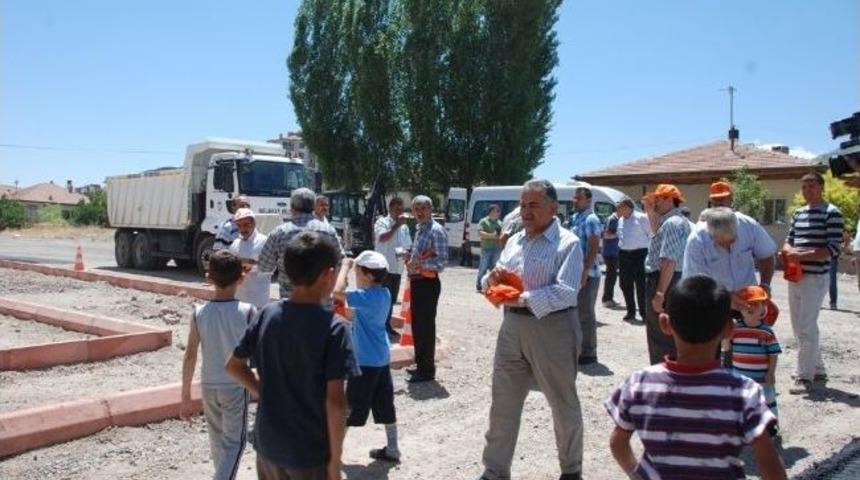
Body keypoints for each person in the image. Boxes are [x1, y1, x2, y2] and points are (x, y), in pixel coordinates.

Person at [605, 275, 786, 480]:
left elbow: (618, 443)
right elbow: (768, 461)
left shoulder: (639, 384)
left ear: (665, 323)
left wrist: (636, 474)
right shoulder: (743, 392)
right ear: (729, 329)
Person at [225, 231, 356, 480]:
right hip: (309, 453)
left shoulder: (266, 315)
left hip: (268, 446)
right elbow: (336, 402)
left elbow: (234, 366)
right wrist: (334, 463)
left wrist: (263, 391)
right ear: (328, 275)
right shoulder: (334, 328)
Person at [477, 179, 584, 480]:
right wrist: (491, 279)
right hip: (512, 328)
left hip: (553, 328)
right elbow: (495, 277)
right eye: (523, 205)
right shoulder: (513, 241)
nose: (526, 211)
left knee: (562, 403)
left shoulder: (568, 243)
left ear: (553, 207)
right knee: (503, 403)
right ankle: (495, 471)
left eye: (534, 205)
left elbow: (567, 292)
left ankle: (571, 470)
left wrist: (521, 298)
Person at [180, 249, 255, 480]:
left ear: (208, 278)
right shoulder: (248, 311)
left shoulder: (199, 313)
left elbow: (190, 355)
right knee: (235, 443)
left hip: (208, 385)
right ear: (241, 278)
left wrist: (185, 395)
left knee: (218, 443)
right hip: (235, 386)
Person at [333, 251, 401, 463]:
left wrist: (344, 265)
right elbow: (357, 315)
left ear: (369, 275)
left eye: (357, 272)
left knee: (349, 408)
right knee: (385, 404)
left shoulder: (364, 296)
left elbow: (337, 291)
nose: (355, 276)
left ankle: (333, 455)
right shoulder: (384, 294)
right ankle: (392, 448)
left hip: (365, 361)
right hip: (381, 358)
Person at [782, 171, 844, 394]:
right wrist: (789, 251)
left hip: (815, 278)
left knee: (806, 326)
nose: (807, 191)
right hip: (796, 275)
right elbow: (789, 240)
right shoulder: (799, 213)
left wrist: (802, 255)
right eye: (804, 187)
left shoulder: (832, 213)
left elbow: (833, 249)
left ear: (821, 187)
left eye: (811, 186)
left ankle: (804, 376)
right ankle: (817, 368)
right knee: (799, 325)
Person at [684, 207, 776, 311]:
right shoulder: (697, 241)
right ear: (711, 235)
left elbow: (767, 256)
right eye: (721, 243)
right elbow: (694, 283)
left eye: (732, 241)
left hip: (750, 300)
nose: (728, 246)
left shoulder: (748, 226)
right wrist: (726, 297)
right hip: (713, 303)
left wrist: (765, 285)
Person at [258, 188, 343, 299]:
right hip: (321, 303)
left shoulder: (280, 232)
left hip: (290, 302)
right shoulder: (329, 231)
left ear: (292, 207)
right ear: (313, 207)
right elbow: (339, 262)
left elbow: (264, 267)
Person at [642, 184, 691, 365]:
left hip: (665, 281)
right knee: (669, 332)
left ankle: (662, 374)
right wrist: (650, 211)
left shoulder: (672, 223)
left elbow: (668, 261)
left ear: (670, 200)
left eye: (658, 199)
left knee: (660, 334)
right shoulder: (676, 221)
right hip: (673, 280)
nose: (655, 203)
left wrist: (660, 293)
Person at [405, 195, 448, 383]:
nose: (419, 212)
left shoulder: (436, 230)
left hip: (428, 283)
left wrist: (419, 266)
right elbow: (421, 255)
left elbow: (441, 262)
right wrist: (410, 257)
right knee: (418, 326)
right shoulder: (420, 228)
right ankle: (421, 364)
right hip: (417, 281)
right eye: (416, 208)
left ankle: (427, 371)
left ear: (431, 210)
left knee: (426, 327)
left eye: (423, 208)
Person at [726, 285, 782, 427]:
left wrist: (771, 372)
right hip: (740, 377)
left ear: (764, 308)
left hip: (762, 378)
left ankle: (770, 426)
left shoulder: (766, 332)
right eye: (747, 304)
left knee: (767, 400)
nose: (750, 307)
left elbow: (773, 353)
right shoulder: (736, 329)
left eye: (756, 304)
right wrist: (725, 334)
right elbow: (727, 348)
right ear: (739, 308)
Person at [569, 187, 603, 365]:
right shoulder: (575, 218)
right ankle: (577, 348)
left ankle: (589, 352)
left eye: (578, 198)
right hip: (573, 273)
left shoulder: (591, 219)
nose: (574, 200)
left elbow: (594, 246)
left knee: (585, 313)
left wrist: (584, 270)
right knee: (573, 312)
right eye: (574, 197)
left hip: (588, 274)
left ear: (588, 200)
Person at [373, 197, 413, 342]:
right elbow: (382, 238)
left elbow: (407, 245)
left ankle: (387, 325)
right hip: (384, 267)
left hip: (397, 268)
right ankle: (379, 328)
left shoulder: (405, 227)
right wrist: (396, 225)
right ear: (390, 209)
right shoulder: (382, 222)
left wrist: (408, 254)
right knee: (382, 300)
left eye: (401, 210)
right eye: (396, 209)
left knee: (391, 300)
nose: (399, 212)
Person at [616, 198, 651, 322]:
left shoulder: (642, 218)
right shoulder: (620, 220)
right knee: (625, 284)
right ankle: (630, 312)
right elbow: (620, 236)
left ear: (627, 207)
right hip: (624, 254)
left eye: (619, 206)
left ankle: (644, 313)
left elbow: (650, 234)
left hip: (640, 254)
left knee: (641, 285)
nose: (617, 209)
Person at [228, 208, 271, 309]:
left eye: (246, 225)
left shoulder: (264, 241)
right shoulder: (235, 244)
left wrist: (252, 265)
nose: (243, 229)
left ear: (254, 223)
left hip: (258, 300)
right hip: (239, 299)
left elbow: (271, 267)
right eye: (239, 226)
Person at [476, 205, 502, 292]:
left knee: (494, 269)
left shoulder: (500, 223)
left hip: (497, 249)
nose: (497, 213)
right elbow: (480, 233)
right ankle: (479, 286)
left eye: (498, 212)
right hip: (486, 248)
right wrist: (492, 236)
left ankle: (492, 286)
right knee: (483, 268)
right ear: (491, 212)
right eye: (496, 211)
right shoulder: (483, 221)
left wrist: (499, 236)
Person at [601, 211, 620, 308]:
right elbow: (606, 235)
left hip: (614, 252)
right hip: (610, 253)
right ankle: (607, 299)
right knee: (610, 276)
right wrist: (620, 234)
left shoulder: (616, 219)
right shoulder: (612, 219)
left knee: (612, 277)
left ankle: (610, 298)